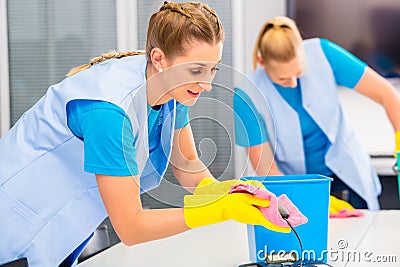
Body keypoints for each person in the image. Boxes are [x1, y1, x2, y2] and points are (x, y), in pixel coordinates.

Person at [0, 3, 288, 267]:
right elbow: (131, 227)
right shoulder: (109, 113)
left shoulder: (173, 89)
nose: (207, 84)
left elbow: (188, 164)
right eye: (197, 70)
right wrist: (218, 211)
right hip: (15, 227)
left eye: (212, 69)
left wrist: (229, 193)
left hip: (61, 230)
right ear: (159, 58)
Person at [234, 16, 400, 211]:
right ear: (262, 62)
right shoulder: (247, 97)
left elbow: (387, 94)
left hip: (349, 177)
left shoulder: (323, 54)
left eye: (298, 72)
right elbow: (268, 171)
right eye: (283, 78)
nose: (293, 83)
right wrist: (312, 203)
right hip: (295, 188)